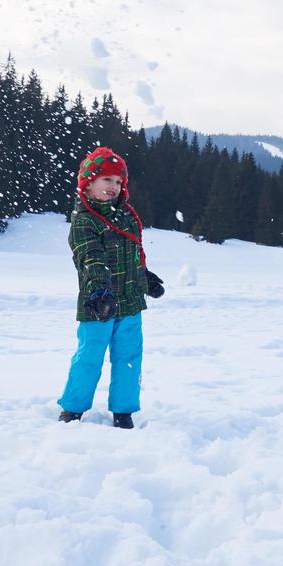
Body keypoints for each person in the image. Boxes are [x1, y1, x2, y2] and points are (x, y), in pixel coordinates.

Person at [58, 145, 161, 428]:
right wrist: (99, 291)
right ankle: (73, 409)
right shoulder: (84, 220)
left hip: (129, 301)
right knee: (89, 357)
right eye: (107, 180)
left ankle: (123, 410)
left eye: (119, 182)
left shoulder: (125, 215)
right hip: (97, 303)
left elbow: (132, 253)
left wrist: (144, 277)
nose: (114, 187)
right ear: (88, 182)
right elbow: (90, 257)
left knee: (129, 357)